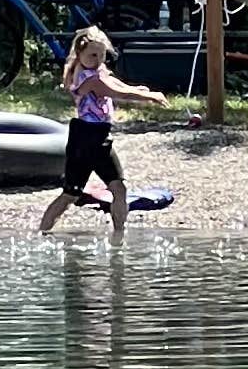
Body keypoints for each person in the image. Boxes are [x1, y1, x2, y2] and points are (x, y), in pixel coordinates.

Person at [37, 26, 168, 239]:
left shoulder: (93, 71)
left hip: (98, 137)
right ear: (79, 54)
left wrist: (139, 89)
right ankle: (43, 232)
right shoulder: (88, 79)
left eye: (102, 55)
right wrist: (149, 96)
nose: (98, 59)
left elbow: (112, 81)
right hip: (87, 139)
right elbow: (114, 91)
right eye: (93, 55)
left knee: (117, 188)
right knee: (71, 194)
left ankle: (118, 238)